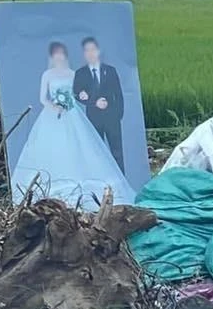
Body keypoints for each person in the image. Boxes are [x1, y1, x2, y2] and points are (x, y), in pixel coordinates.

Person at [11, 42, 135, 209]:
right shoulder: (47, 75)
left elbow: (78, 93)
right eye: (56, 55)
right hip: (52, 115)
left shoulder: (72, 74)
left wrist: (78, 99)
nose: (59, 57)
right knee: (52, 148)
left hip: (73, 113)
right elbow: (43, 99)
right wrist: (54, 106)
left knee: (80, 145)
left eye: (61, 54)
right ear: (52, 57)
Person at [72, 37, 126, 173]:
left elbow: (118, 95)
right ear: (84, 53)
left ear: (98, 51)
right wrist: (93, 102)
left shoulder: (110, 71)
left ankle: (121, 182)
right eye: (87, 50)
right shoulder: (80, 73)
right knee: (97, 152)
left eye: (93, 49)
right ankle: (101, 182)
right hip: (93, 119)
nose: (90, 53)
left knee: (117, 152)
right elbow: (77, 94)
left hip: (112, 119)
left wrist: (117, 115)